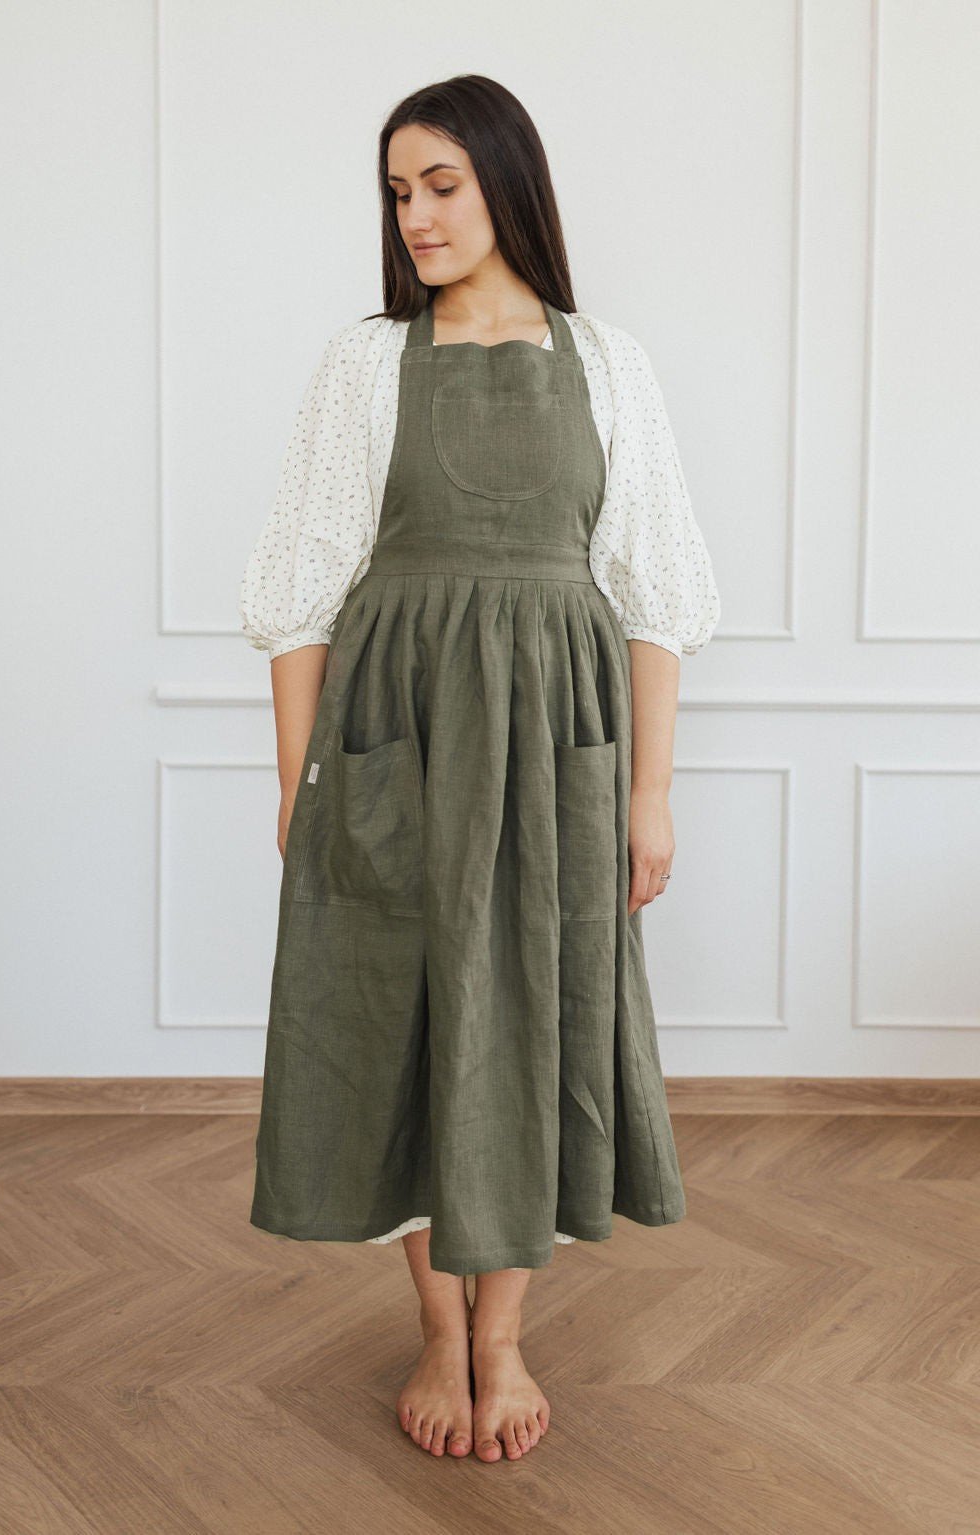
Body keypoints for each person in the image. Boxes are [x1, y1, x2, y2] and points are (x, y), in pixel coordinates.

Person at [238, 74, 721, 1465]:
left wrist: (648, 791)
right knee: (400, 1021)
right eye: (399, 192)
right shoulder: (363, 366)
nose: (417, 216)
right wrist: (302, 784)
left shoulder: (609, 363)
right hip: (395, 730)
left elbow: (656, 593)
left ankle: (502, 1339)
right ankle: (435, 1329)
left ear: (508, 182)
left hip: (558, 742)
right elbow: (299, 593)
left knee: (536, 1020)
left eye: (441, 184)